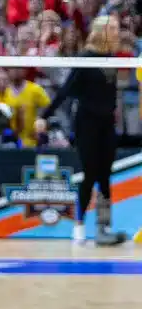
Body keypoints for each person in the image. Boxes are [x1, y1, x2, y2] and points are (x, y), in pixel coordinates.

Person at [36, 15, 127, 246]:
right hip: (87, 123)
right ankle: (79, 226)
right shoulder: (86, 58)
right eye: (114, 28)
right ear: (101, 31)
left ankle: (103, 228)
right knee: (90, 175)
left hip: (107, 124)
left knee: (106, 177)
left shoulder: (111, 58)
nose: (118, 32)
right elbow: (65, 90)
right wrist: (44, 116)